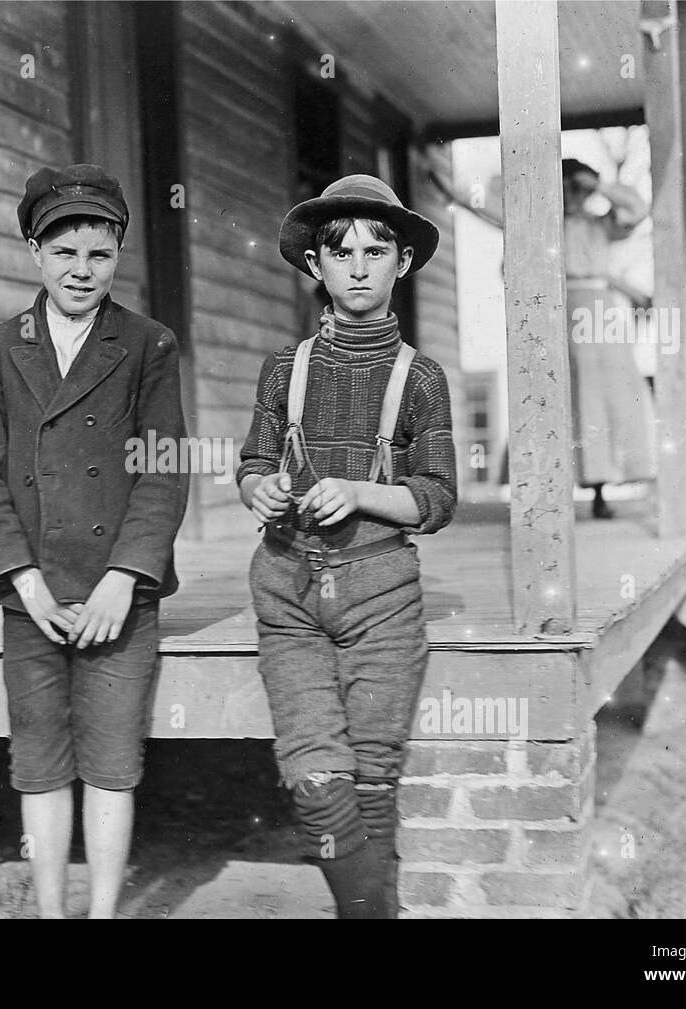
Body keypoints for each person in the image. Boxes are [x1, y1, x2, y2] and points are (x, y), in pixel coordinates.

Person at [0, 164, 188, 919]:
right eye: (65, 253)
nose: (82, 271)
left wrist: (125, 578)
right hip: (33, 596)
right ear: (35, 252)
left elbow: (162, 472)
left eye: (99, 253)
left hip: (118, 597)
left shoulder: (148, 346)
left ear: (118, 252)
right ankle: (54, 912)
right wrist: (22, 582)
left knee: (114, 763)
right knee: (40, 763)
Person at [237, 175, 457, 918]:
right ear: (314, 266)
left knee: (369, 779)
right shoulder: (284, 369)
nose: (359, 266)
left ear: (403, 264)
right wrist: (258, 490)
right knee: (317, 781)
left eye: (377, 249)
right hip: (288, 593)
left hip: (382, 599)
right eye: (341, 251)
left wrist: (362, 492)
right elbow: (253, 462)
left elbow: (436, 497)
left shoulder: (420, 378)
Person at [561, 157, 656, 519]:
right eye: (568, 187)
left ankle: (612, 482)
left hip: (599, 312)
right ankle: (580, 486)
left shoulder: (600, 225)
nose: (574, 196)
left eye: (578, 189)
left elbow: (637, 208)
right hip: (562, 307)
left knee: (613, 391)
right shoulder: (545, 225)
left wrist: (597, 187)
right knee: (578, 393)